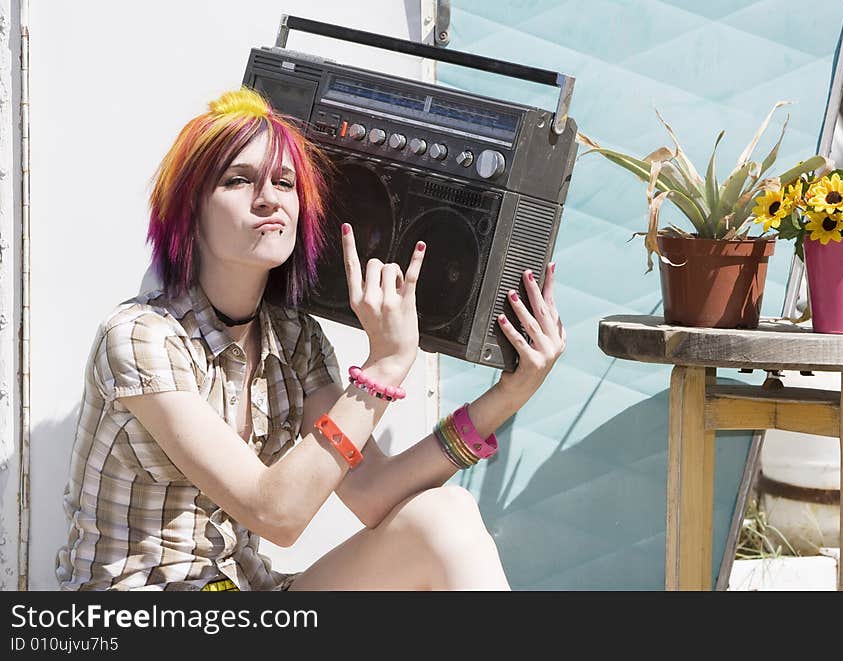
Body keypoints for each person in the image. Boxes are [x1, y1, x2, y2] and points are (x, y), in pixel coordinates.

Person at [56, 87, 566, 591]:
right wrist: (384, 367)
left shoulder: (293, 339)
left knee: (446, 516)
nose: (269, 199)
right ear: (189, 213)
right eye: (238, 180)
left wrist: (508, 395)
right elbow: (274, 512)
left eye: (284, 183)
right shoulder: (140, 338)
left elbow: (370, 493)